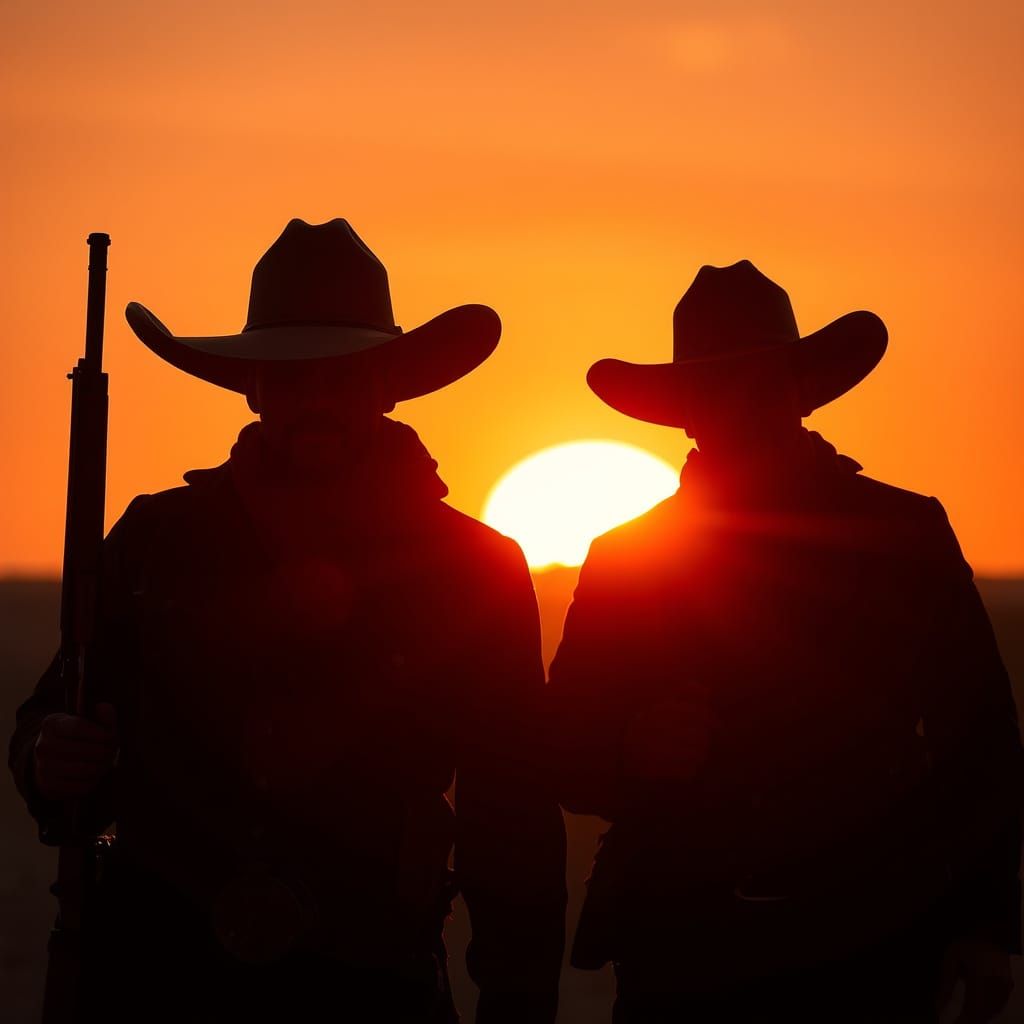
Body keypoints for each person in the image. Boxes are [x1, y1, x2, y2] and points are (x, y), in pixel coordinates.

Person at [10, 219, 566, 1023]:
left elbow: (510, 814)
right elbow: (58, 712)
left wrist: (517, 1001)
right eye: (291, 373)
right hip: (159, 975)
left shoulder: (472, 567)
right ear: (251, 385)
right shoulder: (154, 538)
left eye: (341, 373)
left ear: (385, 384)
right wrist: (47, 756)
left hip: (371, 981)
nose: (315, 397)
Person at [546, 260, 1022, 1023]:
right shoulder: (625, 557)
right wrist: (630, 748)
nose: (737, 408)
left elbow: (981, 738)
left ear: (799, 391)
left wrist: (988, 922)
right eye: (716, 388)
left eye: (758, 384)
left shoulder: (903, 534)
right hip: (689, 954)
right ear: (687, 411)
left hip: (874, 949)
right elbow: (561, 748)